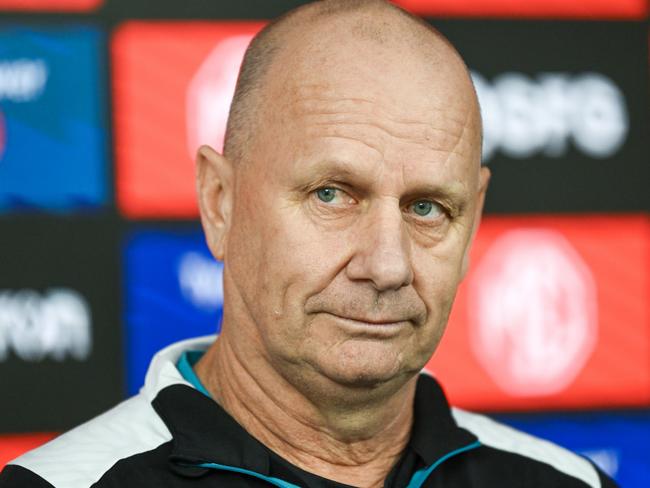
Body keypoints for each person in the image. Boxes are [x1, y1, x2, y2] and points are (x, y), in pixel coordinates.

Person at [0, 1, 617, 487]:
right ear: (220, 201)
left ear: (473, 223)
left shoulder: (572, 482)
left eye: (427, 208)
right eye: (332, 194)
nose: (387, 265)